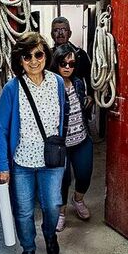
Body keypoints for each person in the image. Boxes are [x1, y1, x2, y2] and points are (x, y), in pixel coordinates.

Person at [0, 32, 68, 254]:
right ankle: (28, 249)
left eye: (39, 54)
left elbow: (62, 118)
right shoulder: (11, 88)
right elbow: (1, 129)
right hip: (22, 164)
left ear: (45, 54)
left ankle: (49, 235)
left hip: (52, 162)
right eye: (28, 56)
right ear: (20, 60)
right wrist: (2, 166)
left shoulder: (57, 83)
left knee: (52, 205)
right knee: (24, 211)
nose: (34, 60)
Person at [49, 44, 94, 232]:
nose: (67, 67)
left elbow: (82, 107)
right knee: (63, 181)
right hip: (61, 145)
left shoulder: (78, 83)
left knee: (84, 175)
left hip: (82, 140)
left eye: (71, 63)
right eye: (63, 63)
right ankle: (61, 213)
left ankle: (78, 200)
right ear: (56, 63)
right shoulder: (50, 85)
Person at [50, 17, 93, 118]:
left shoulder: (80, 54)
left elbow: (89, 76)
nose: (60, 33)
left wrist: (91, 95)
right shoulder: (48, 55)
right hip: (54, 100)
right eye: (56, 30)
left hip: (77, 98)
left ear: (69, 33)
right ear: (52, 35)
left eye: (64, 30)